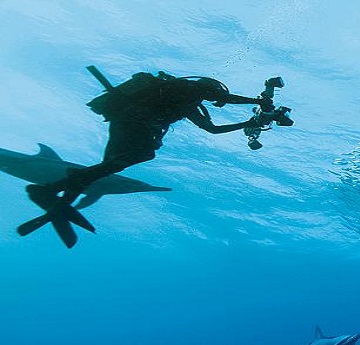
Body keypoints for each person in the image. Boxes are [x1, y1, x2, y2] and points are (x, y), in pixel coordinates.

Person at [19, 70, 274, 247]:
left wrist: (250, 119)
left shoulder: (186, 97)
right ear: (208, 88)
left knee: (104, 170)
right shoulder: (186, 93)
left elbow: (212, 129)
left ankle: (52, 193)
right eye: (215, 95)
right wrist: (256, 103)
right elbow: (222, 108)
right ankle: (51, 191)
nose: (217, 100)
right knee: (141, 155)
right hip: (133, 125)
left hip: (124, 123)